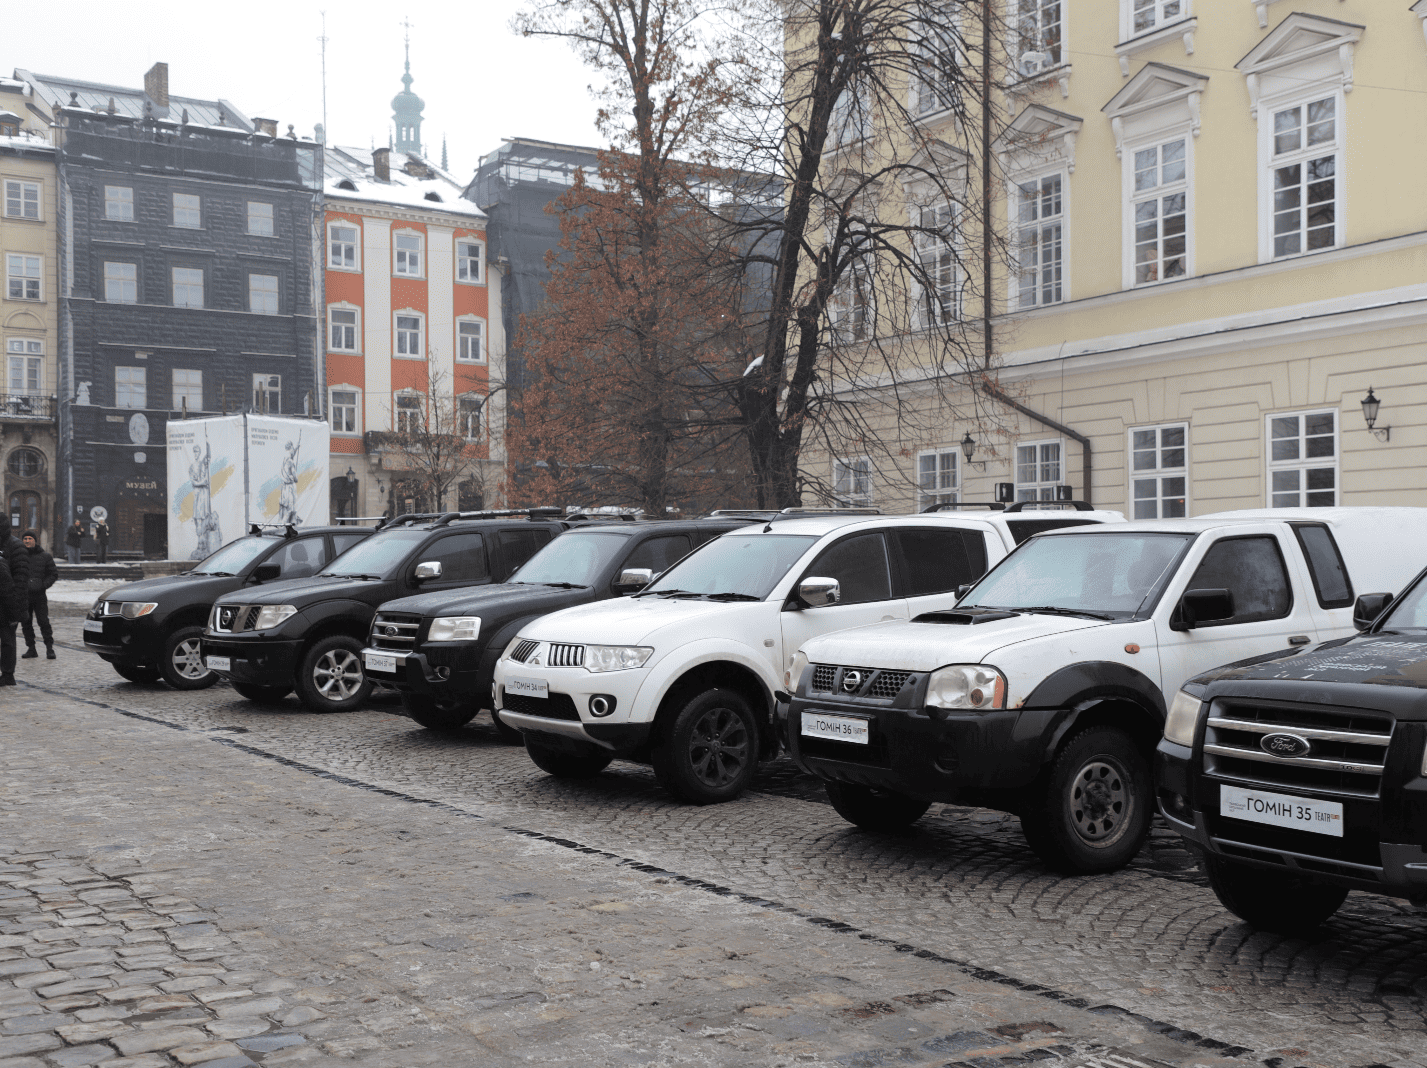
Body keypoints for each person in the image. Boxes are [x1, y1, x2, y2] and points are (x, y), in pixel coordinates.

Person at [0, 513, 30, 686]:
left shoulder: (16, 546)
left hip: (9, 603)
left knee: (7, 640)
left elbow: (20, 582)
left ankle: (7, 674)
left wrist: (15, 610)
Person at [20, 531, 56, 660]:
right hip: (24, 596)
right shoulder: (19, 556)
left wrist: (43, 585)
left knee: (43, 622)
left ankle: (49, 648)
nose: (27, 541)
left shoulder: (45, 556)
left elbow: (53, 574)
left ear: (35, 540)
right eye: (25, 538)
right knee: (26, 623)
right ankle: (31, 648)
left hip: (39, 596)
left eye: (30, 538)